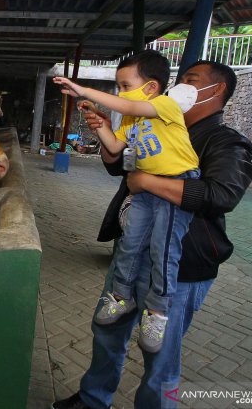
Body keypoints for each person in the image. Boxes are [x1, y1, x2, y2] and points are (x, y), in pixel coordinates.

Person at [51, 60, 252, 409]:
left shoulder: (226, 141)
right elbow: (119, 164)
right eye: (180, 79)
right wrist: (104, 130)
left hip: (182, 266)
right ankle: (93, 398)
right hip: (132, 252)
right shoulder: (150, 120)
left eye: (191, 80)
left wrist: (148, 182)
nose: (181, 85)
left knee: (158, 357)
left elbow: (221, 195)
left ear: (217, 90)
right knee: (107, 332)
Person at [54, 50, 200, 353]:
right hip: (144, 191)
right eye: (118, 86)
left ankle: (158, 312)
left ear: (151, 88)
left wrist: (83, 89)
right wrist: (98, 123)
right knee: (129, 243)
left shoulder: (165, 106)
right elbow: (114, 146)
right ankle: (121, 296)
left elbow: (127, 104)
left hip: (176, 187)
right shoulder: (132, 119)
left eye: (124, 85)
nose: (120, 92)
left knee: (163, 250)